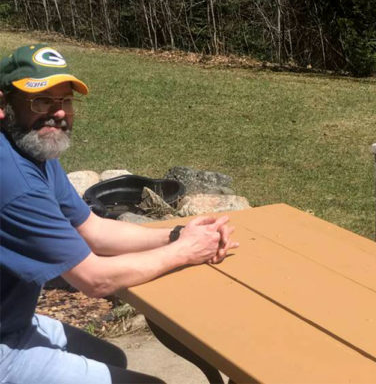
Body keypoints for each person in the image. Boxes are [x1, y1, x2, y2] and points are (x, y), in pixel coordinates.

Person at [0, 44, 239, 383]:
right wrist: (184, 252)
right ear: (3, 104)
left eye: (65, 101)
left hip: (14, 323)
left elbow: (94, 229)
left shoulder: (32, 153)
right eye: (41, 101)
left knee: (112, 357)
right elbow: (96, 279)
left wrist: (175, 235)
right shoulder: (15, 180)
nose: (58, 114)